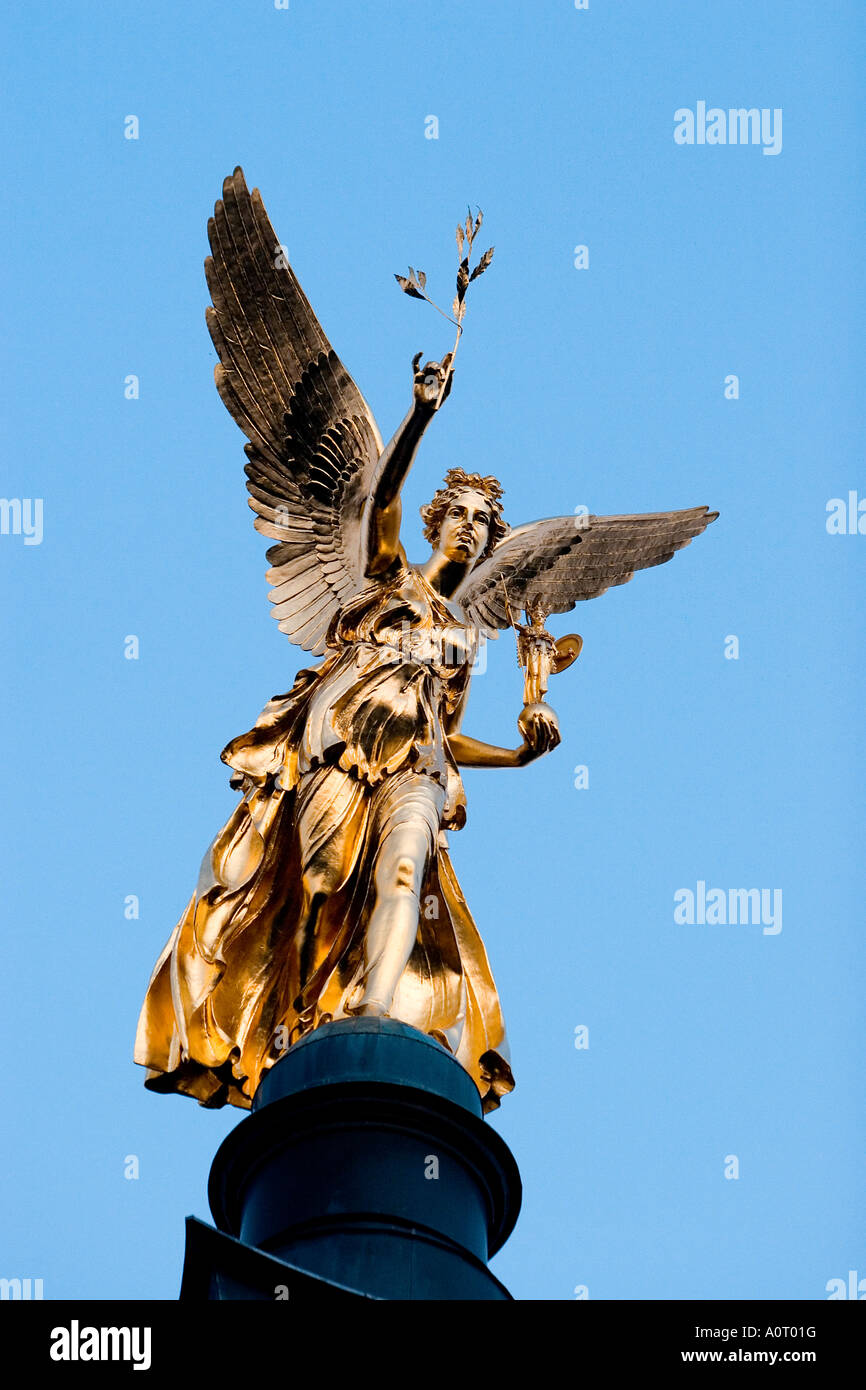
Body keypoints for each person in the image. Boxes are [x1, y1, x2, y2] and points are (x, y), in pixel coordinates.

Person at [135, 357, 560, 1114]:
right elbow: (384, 500)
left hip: (417, 768)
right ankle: (299, 1020)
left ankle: (371, 1016)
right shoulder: (392, 578)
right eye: (459, 513)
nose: (471, 526)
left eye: (483, 522)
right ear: (438, 523)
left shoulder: (462, 643)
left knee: (404, 876)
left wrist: (519, 755)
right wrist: (421, 414)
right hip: (342, 752)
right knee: (320, 888)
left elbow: (447, 734)